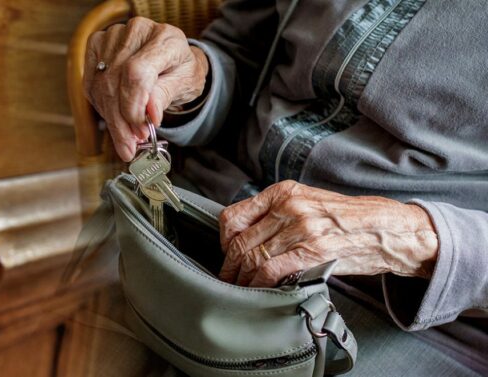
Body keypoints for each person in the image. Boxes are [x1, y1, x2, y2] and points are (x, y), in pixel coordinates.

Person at [83, 0, 487, 375]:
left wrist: (404, 236)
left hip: (392, 309)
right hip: (197, 218)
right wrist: (192, 79)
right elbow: (242, 52)